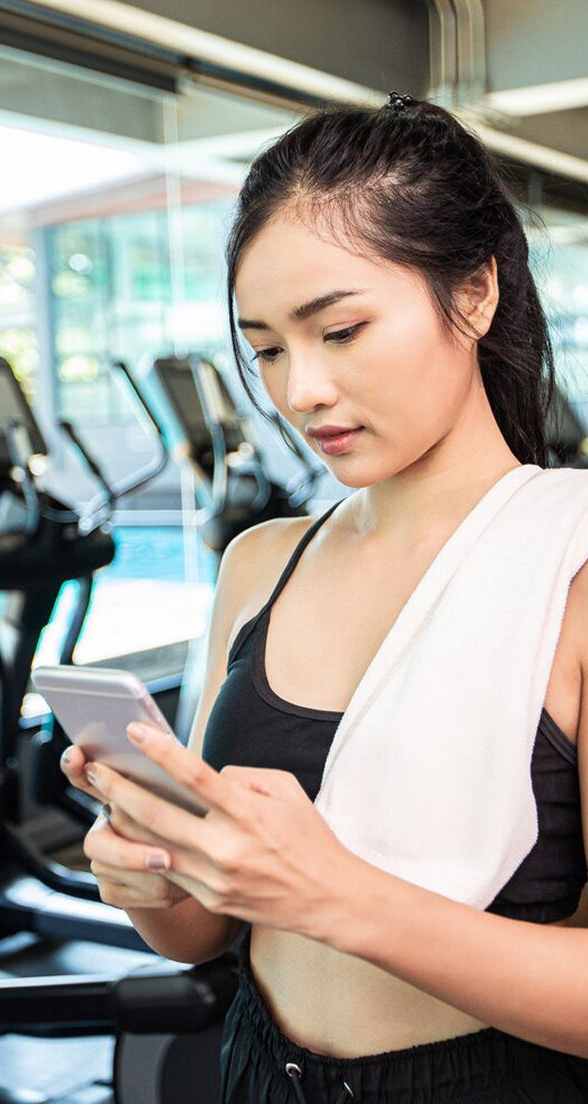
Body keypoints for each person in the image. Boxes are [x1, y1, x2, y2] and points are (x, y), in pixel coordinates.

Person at [61, 94, 588, 1102]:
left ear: (473, 293)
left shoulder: (575, 570)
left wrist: (337, 896)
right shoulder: (261, 564)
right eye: (265, 348)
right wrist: (146, 877)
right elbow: (200, 933)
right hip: (261, 1070)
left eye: (339, 330)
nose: (298, 390)